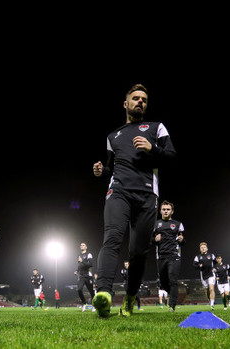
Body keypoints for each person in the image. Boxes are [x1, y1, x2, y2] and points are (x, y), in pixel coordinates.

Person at [92, 83, 177, 318]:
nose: (141, 102)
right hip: (118, 191)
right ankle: (103, 295)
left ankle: (129, 299)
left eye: (144, 100)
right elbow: (112, 167)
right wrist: (102, 171)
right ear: (125, 103)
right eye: (136, 98)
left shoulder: (156, 127)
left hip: (147, 194)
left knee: (138, 252)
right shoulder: (113, 136)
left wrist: (152, 149)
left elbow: (171, 157)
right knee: (112, 238)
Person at [152, 200, 185, 312]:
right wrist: (154, 240)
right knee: (163, 281)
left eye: (168, 209)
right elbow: (149, 241)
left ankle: (172, 306)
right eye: (164, 209)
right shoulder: (155, 224)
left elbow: (182, 242)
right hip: (160, 256)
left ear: (172, 211)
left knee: (173, 279)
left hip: (174, 255)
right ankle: (172, 296)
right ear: (160, 211)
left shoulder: (178, 224)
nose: (166, 211)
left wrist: (182, 240)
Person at [193, 242, 217, 310]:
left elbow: (215, 262)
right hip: (203, 275)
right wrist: (198, 266)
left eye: (204, 247)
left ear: (207, 248)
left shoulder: (211, 255)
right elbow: (194, 265)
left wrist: (215, 268)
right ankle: (210, 301)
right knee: (207, 290)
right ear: (200, 249)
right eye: (201, 247)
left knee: (211, 288)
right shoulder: (197, 257)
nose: (203, 248)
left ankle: (212, 304)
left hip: (211, 274)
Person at [74, 242, 96, 311]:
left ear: (86, 247)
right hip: (81, 275)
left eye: (83, 245)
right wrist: (77, 271)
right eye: (81, 245)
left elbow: (90, 264)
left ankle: (94, 305)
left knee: (91, 291)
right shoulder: (79, 255)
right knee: (79, 289)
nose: (82, 246)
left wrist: (82, 261)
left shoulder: (88, 254)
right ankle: (84, 303)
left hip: (88, 275)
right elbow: (80, 265)